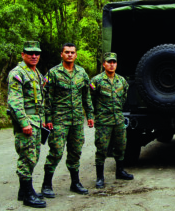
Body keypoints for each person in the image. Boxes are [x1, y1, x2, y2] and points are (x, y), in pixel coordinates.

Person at [41, 43, 94, 198]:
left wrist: (90, 115)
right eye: (67, 52)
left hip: (77, 120)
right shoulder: (53, 73)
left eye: (72, 52)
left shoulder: (81, 73)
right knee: (56, 151)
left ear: (76, 55)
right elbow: (47, 98)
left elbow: (86, 96)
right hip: (59, 120)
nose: (70, 55)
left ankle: (75, 183)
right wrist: (47, 118)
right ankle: (46, 184)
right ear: (61, 54)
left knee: (75, 151)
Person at [7, 41, 46, 208]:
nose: (34, 56)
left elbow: (41, 100)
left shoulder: (36, 72)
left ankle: (24, 191)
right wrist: (24, 123)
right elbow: (15, 102)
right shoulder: (17, 73)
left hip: (36, 121)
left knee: (33, 156)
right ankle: (27, 195)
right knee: (27, 158)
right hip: (27, 122)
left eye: (37, 53)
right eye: (30, 53)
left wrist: (42, 120)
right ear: (23, 55)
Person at [90, 52, 134, 189]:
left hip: (118, 119)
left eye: (114, 62)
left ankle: (120, 171)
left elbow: (124, 97)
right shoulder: (96, 81)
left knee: (121, 146)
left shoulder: (122, 81)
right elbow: (90, 99)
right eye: (109, 62)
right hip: (103, 120)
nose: (111, 64)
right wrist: (92, 115)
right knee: (102, 148)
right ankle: (100, 177)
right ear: (104, 64)